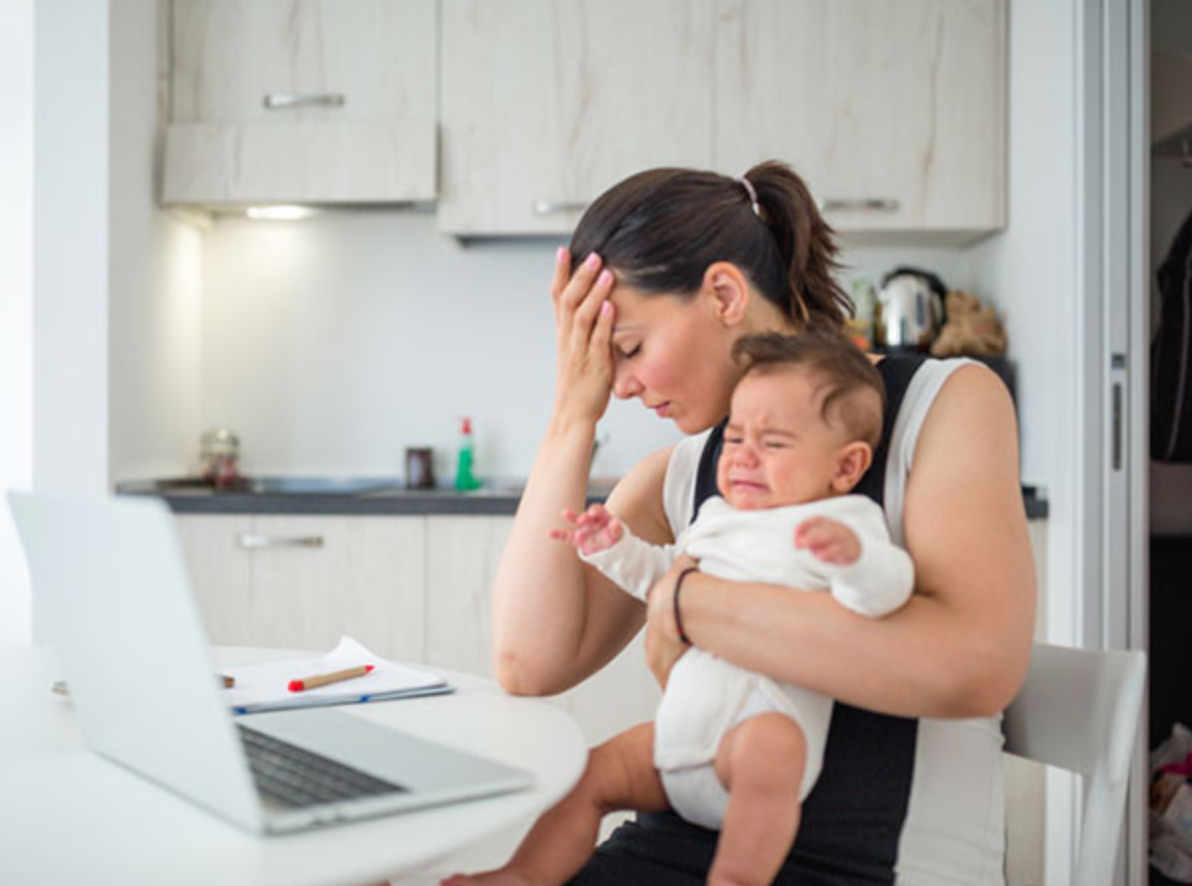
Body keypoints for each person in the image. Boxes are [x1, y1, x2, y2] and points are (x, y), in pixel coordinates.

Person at [481, 161, 1035, 885]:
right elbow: (528, 663)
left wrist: (687, 602)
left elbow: (975, 667)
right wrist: (570, 414)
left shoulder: (943, 402)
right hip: (670, 849)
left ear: (723, 294)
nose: (620, 385)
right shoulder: (679, 471)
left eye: (630, 349)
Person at [444, 330, 915, 886]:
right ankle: (524, 874)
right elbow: (664, 579)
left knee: (775, 751)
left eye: (774, 443)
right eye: (735, 437)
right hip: (679, 735)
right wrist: (614, 547)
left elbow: (889, 589)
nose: (742, 456)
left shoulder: (845, 525)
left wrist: (853, 561)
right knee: (591, 772)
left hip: (753, 739)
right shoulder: (716, 516)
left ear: (845, 467)